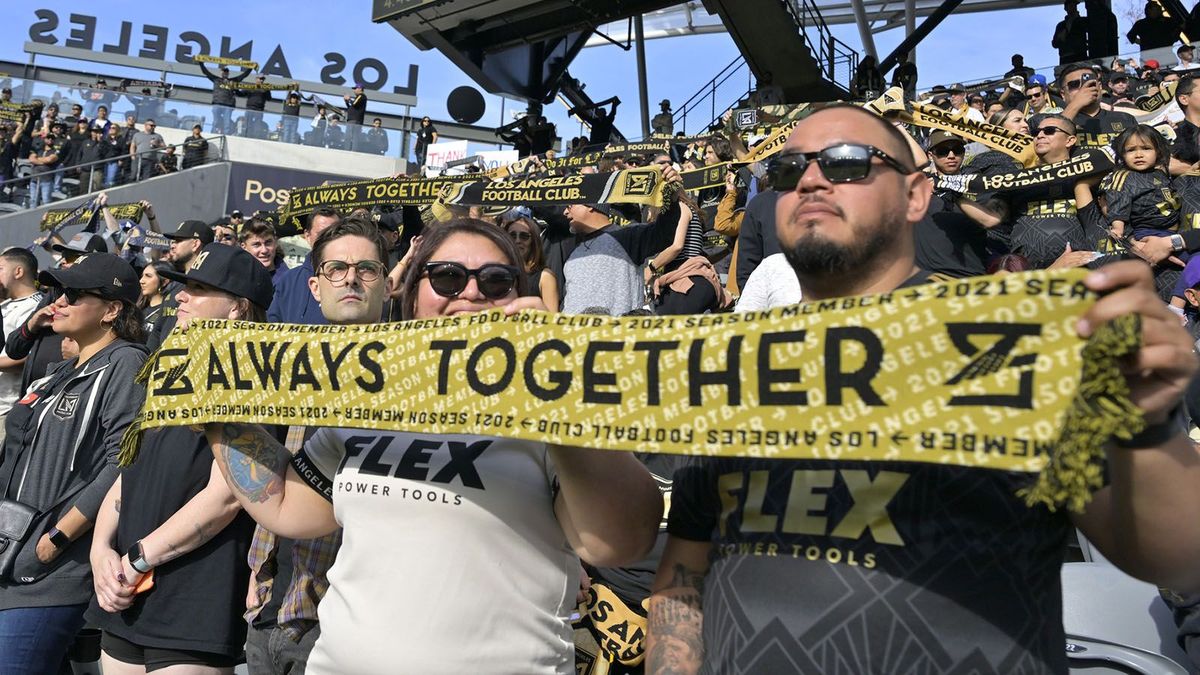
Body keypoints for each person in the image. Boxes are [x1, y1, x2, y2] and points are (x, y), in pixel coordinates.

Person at [646, 102, 1200, 674]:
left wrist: (1143, 429)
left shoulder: (1015, 341)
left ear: (915, 195)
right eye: (789, 170)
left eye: (846, 163)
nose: (810, 178)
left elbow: (1180, 556)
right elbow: (685, 574)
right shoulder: (735, 367)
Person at [206, 217, 662, 673]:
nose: (470, 292)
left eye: (496, 280)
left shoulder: (554, 415)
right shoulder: (370, 400)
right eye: (447, 277)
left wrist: (557, 394)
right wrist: (208, 411)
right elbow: (288, 506)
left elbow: (620, 542)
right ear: (412, 295)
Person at [86, 244, 272, 675]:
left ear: (237, 309)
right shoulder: (170, 362)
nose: (181, 296)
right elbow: (131, 467)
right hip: (128, 590)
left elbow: (228, 496)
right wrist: (100, 549)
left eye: (199, 288)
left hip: (194, 595)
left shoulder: (256, 376)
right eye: (184, 284)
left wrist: (136, 558)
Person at [0, 253, 146, 674]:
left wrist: (58, 538)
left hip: (56, 569)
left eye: (75, 295)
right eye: (59, 292)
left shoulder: (126, 362)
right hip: (16, 553)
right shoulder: (62, 370)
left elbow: (125, 458)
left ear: (112, 309)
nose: (58, 302)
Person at [1103, 125, 1181, 248]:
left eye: (1146, 148)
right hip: (1150, 233)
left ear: (1158, 151)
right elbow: (1118, 203)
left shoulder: (1161, 172)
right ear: (1122, 154)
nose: (1138, 154)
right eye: (1131, 150)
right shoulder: (1124, 176)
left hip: (1177, 230)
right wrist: (1118, 228)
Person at [267, 207, 341, 323]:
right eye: (321, 233)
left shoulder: (352, 278)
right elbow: (273, 324)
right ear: (307, 235)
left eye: (335, 232)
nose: (328, 238)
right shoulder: (288, 280)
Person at [0, 248, 43, 438]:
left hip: (7, 407)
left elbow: (27, 358)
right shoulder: (7, 303)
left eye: (0, 268)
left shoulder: (35, 307)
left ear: (18, 272)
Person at [1052, 63, 1138, 150]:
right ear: (1063, 94)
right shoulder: (1049, 122)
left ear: (1100, 87)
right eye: (1074, 84)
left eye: (1090, 83)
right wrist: (1076, 104)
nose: (1083, 88)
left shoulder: (1125, 119)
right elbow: (1050, 147)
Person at [503, 216, 558, 310]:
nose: (517, 240)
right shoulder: (498, 272)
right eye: (512, 235)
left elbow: (552, 320)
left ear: (534, 242)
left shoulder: (545, 276)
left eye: (524, 236)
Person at [199, 63, 251, 134]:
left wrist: (250, 68)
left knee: (227, 123)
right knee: (216, 122)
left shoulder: (233, 81)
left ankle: (226, 136)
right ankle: (212, 134)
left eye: (226, 72)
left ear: (228, 73)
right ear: (221, 73)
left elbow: (244, 75)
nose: (225, 73)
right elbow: (206, 72)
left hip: (228, 105)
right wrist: (201, 63)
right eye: (224, 71)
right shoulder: (216, 79)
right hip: (217, 103)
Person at [240, 217, 288, 283]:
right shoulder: (234, 278)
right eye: (256, 245)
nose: (264, 250)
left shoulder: (290, 281)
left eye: (268, 243)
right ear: (244, 247)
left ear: (276, 242)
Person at [137, 261, 171, 336]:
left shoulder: (168, 311)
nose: (141, 281)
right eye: (142, 276)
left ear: (164, 282)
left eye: (148, 276)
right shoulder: (139, 306)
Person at [1052, 0, 1088, 64]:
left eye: (1074, 5)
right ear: (1065, 8)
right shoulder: (1061, 25)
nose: (1072, 7)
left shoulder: (1083, 21)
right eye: (1070, 5)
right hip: (1065, 58)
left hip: (1080, 56)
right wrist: (1060, 38)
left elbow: (1094, 36)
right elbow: (1054, 44)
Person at [241, 75, 271, 139]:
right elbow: (241, 94)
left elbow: (269, 98)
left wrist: (267, 90)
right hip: (250, 108)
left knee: (257, 126)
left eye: (262, 79)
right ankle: (247, 137)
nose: (261, 80)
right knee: (248, 125)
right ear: (256, 79)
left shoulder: (265, 88)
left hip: (259, 109)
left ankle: (255, 138)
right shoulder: (250, 86)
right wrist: (234, 89)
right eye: (260, 79)